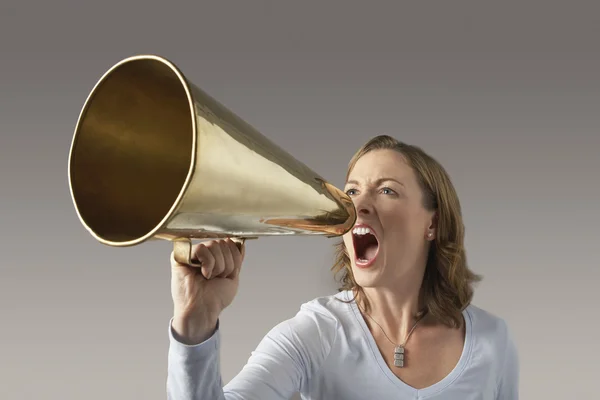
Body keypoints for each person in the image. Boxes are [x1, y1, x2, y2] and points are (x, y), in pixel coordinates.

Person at [166, 135, 520, 400]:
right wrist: (195, 323)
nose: (358, 207)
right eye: (351, 192)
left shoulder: (493, 342)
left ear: (433, 224)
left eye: (387, 191)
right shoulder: (316, 332)